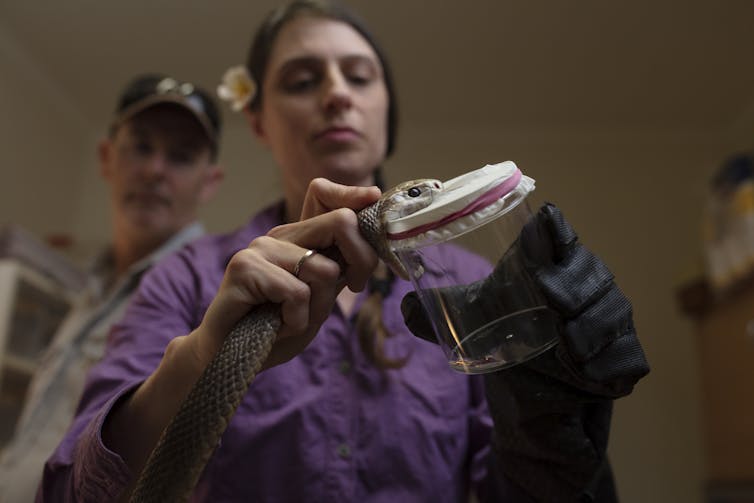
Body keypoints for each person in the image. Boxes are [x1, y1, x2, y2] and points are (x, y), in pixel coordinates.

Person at [39, 2, 649, 501]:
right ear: (257, 120)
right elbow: (71, 491)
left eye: (358, 76)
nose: (336, 94)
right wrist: (199, 358)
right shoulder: (188, 281)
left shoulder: (474, 286)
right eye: (302, 81)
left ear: (385, 110)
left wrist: (552, 425)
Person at [0, 73, 224, 502]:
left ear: (210, 181)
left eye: (181, 156)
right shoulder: (91, 290)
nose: (155, 170)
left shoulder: (214, 293)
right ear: (106, 157)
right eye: (141, 147)